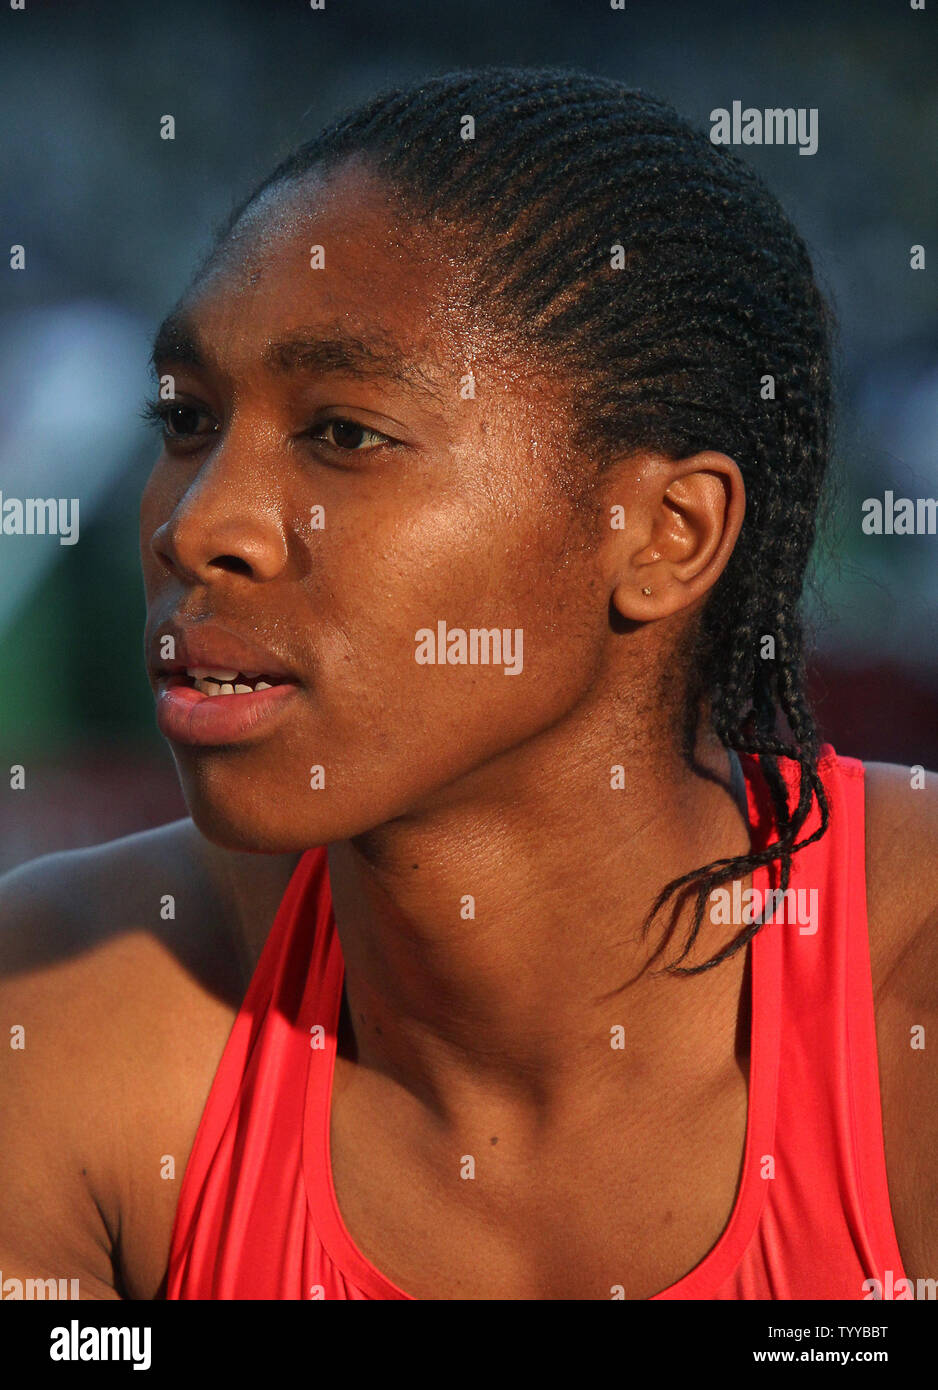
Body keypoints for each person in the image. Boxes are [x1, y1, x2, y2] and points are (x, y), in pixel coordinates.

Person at [1, 65, 935, 1302]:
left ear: (664, 533)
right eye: (186, 420)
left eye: (344, 432)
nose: (197, 524)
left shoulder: (903, 996)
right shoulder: (63, 1006)